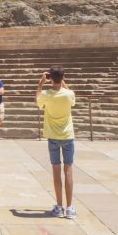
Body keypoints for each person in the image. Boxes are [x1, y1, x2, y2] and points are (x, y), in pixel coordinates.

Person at [37, 67, 78, 218]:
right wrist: (62, 82)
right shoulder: (69, 94)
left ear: (50, 79)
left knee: (56, 171)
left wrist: (41, 83)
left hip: (53, 137)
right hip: (68, 136)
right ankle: (70, 208)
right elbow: (71, 97)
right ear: (62, 78)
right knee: (68, 170)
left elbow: (38, 101)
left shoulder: (46, 95)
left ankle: (59, 207)